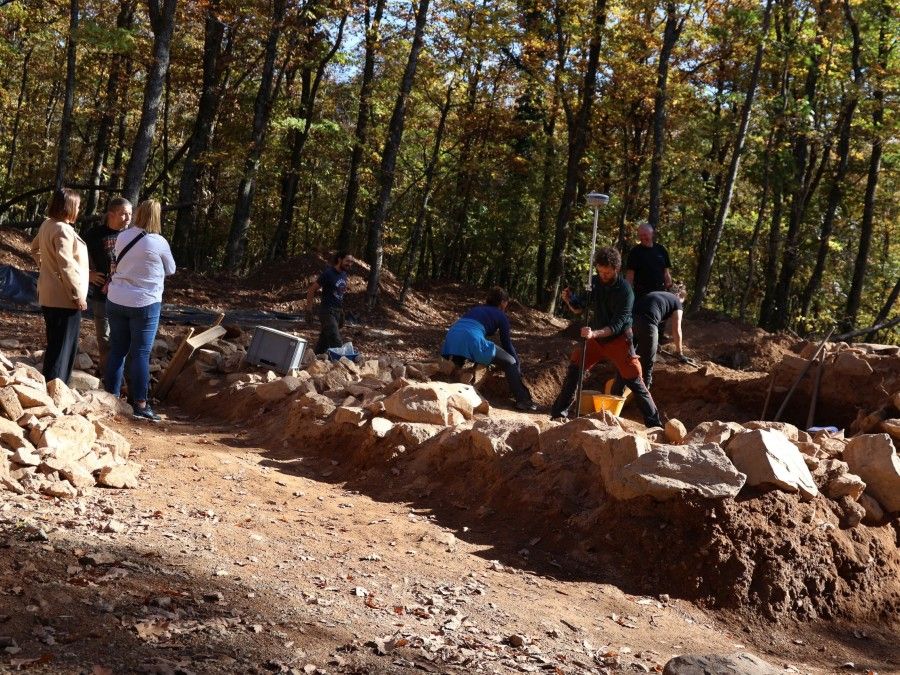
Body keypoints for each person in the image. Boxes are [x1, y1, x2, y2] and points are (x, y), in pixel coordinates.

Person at [549, 246, 662, 427]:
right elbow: (579, 307)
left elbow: (617, 326)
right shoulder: (594, 282)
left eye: (607, 272)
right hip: (595, 339)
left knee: (635, 381)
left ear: (616, 269)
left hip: (619, 340)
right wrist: (570, 299)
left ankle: (655, 424)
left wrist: (594, 333)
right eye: (600, 271)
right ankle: (558, 414)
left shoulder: (626, 292)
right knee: (575, 367)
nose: (603, 275)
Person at [104, 199, 176, 422]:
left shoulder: (123, 236)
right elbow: (171, 269)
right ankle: (140, 404)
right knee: (141, 354)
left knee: (117, 350)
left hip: (116, 299)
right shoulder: (159, 242)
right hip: (145, 303)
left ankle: (111, 398)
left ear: (138, 214)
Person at [441, 287, 536, 411]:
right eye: (506, 302)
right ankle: (523, 400)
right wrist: (517, 363)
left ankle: (448, 386)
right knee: (510, 361)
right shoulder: (501, 315)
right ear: (503, 302)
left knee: (460, 357)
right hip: (472, 339)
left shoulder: (476, 309)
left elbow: (467, 329)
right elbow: (506, 344)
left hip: (452, 336)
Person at [30, 188, 89, 384]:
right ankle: (56, 387)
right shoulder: (63, 229)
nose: (79, 210)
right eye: (78, 206)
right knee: (63, 347)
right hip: (64, 298)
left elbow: (35, 249)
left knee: (56, 344)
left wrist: (46, 267)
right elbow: (66, 265)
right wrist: (76, 295)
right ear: (69, 207)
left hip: (49, 295)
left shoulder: (47, 224)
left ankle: (52, 386)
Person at [83, 197, 132, 374]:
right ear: (111, 214)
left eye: (130, 214)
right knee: (104, 338)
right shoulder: (93, 235)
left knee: (122, 339)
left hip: (127, 296)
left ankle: (120, 378)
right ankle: (106, 376)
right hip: (102, 295)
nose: (128, 218)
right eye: (123, 214)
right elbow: (74, 256)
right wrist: (87, 274)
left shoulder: (132, 236)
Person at [612, 283, 687, 393]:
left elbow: (648, 313)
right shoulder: (676, 302)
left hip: (629, 323)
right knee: (646, 365)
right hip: (647, 324)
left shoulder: (657, 295)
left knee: (626, 361)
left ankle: (615, 396)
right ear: (678, 295)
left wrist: (654, 343)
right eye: (682, 301)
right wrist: (679, 353)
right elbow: (677, 329)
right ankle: (644, 403)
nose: (682, 305)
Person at [306, 251, 353, 355]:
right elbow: (311, 290)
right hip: (327, 311)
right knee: (336, 341)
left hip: (336, 312)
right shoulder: (328, 273)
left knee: (324, 342)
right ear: (340, 260)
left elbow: (339, 294)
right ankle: (344, 366)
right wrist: (309, 310)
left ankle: (314, 360)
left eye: (351, 262)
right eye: (347, 261)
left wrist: (341, 312)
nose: (349, 264)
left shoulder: (344, 274)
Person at [625, 223, 672, 299]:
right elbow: (630, 276)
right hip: (641, 295)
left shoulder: (661, 250)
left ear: (652, 234)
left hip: (660, 294)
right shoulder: (635, 252)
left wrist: (670, 290)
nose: (643, 238)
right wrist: (627, 294)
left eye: (645, 235)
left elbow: (666, 273)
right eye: (640, 235)